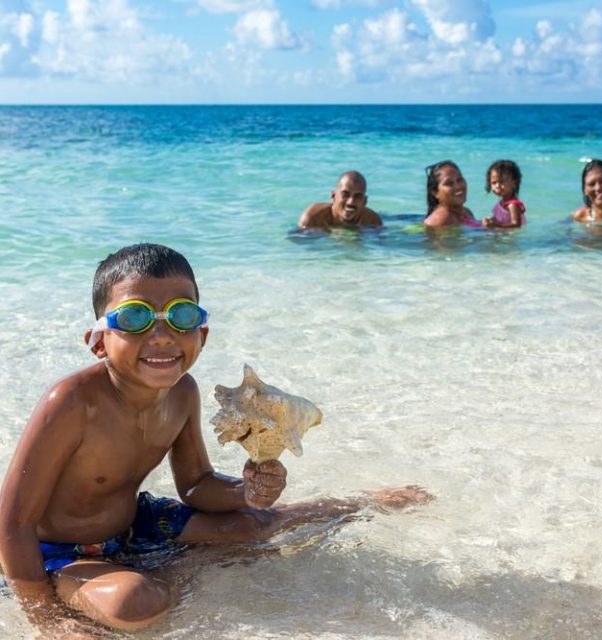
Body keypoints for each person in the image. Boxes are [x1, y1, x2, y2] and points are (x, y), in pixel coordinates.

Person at [0, 243, 429, 637]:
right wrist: (45, 618)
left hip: (135, 525)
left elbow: (195, 485)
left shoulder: (183, 392)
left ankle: (355, 503)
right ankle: (163, 570)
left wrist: (247, 490)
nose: (162, 333)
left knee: (255, 524)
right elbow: (13, 522)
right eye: (135, 316)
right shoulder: (73, 402)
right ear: (98, 341)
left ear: (201, 335)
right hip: (60, 550)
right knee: (135, 606)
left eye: (182, 315)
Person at [297, 170, 382, 229]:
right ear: (333, 196)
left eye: (358, 196)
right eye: (345, 194)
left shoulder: (373, 222)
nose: (351, 202)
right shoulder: (312, 219)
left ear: (365, 201)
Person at [422, 160, 479, 227]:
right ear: (435, 193)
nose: (458, 186)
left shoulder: (467, 212)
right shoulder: (440, 220)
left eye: (459, 179)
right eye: (449, 183)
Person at [481, 159, 526, 229]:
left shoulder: (512, 205)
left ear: (514, 183)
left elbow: (516, 225)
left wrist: (495, 225)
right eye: (494, 183)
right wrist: (490, 221)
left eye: (502, 182)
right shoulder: (502, 202)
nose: (497, 185)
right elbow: (499, 218)